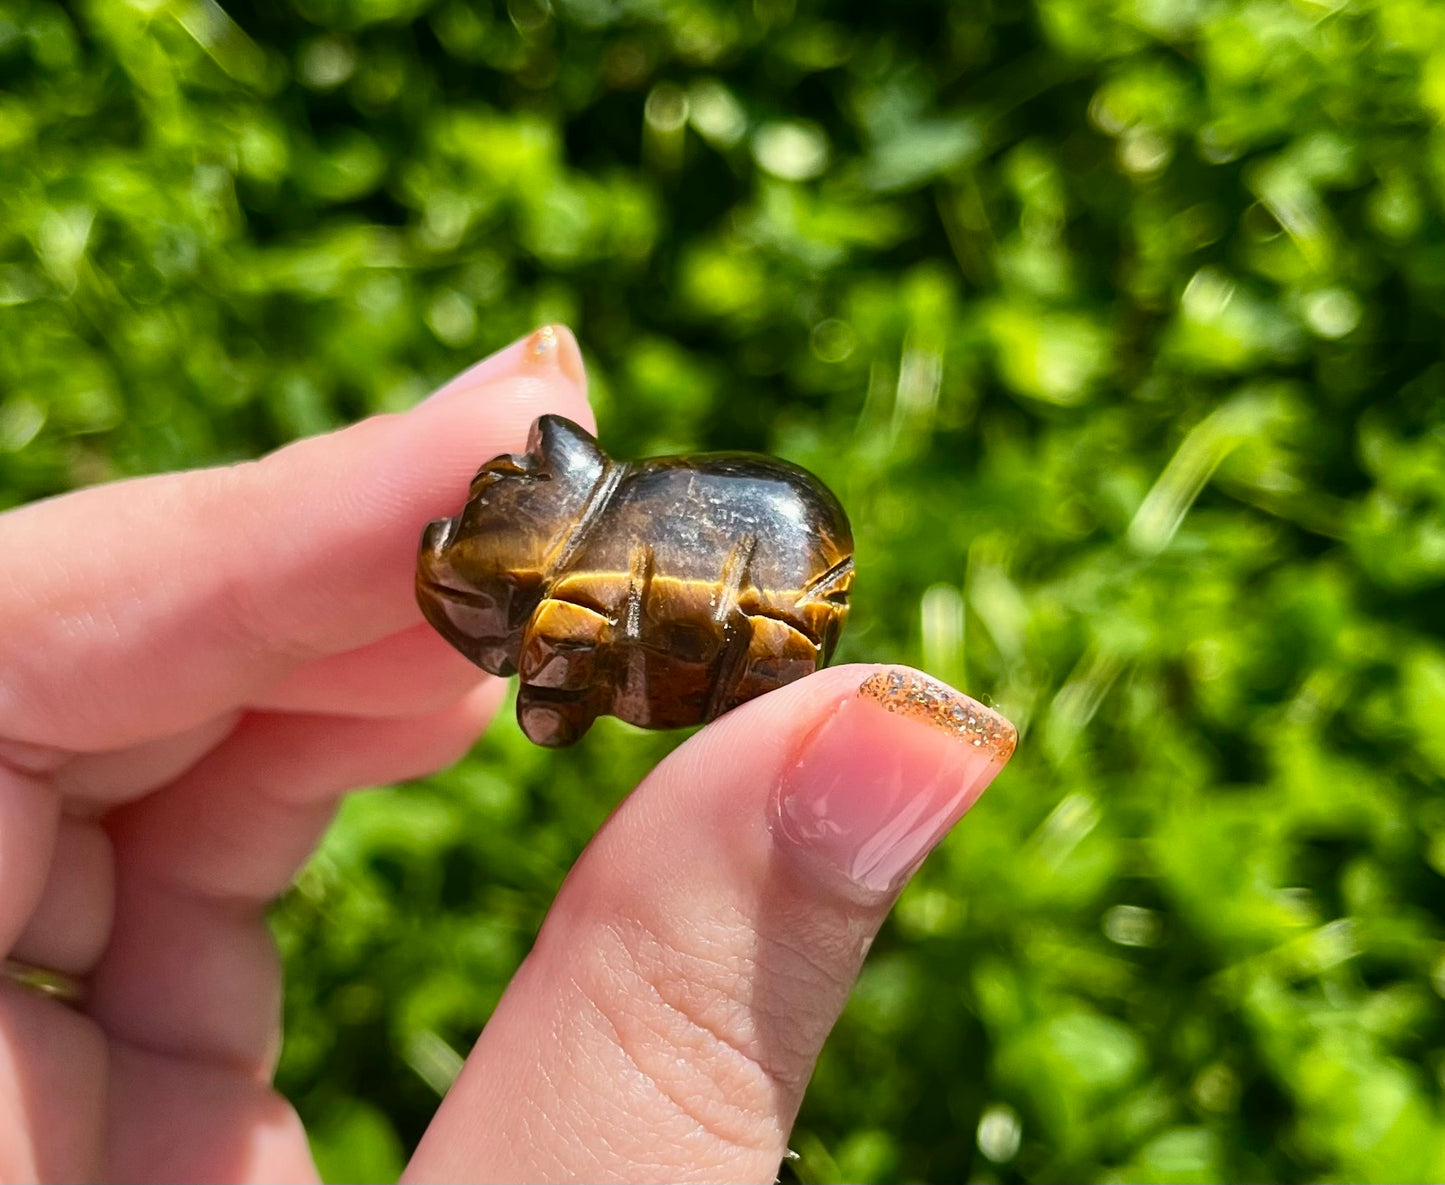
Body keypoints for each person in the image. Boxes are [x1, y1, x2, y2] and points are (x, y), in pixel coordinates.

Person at [0, 326, 1016, 1183]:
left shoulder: (606, 556)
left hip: (761, 571)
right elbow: (560, 679)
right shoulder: (574, 589)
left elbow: (568, 668)